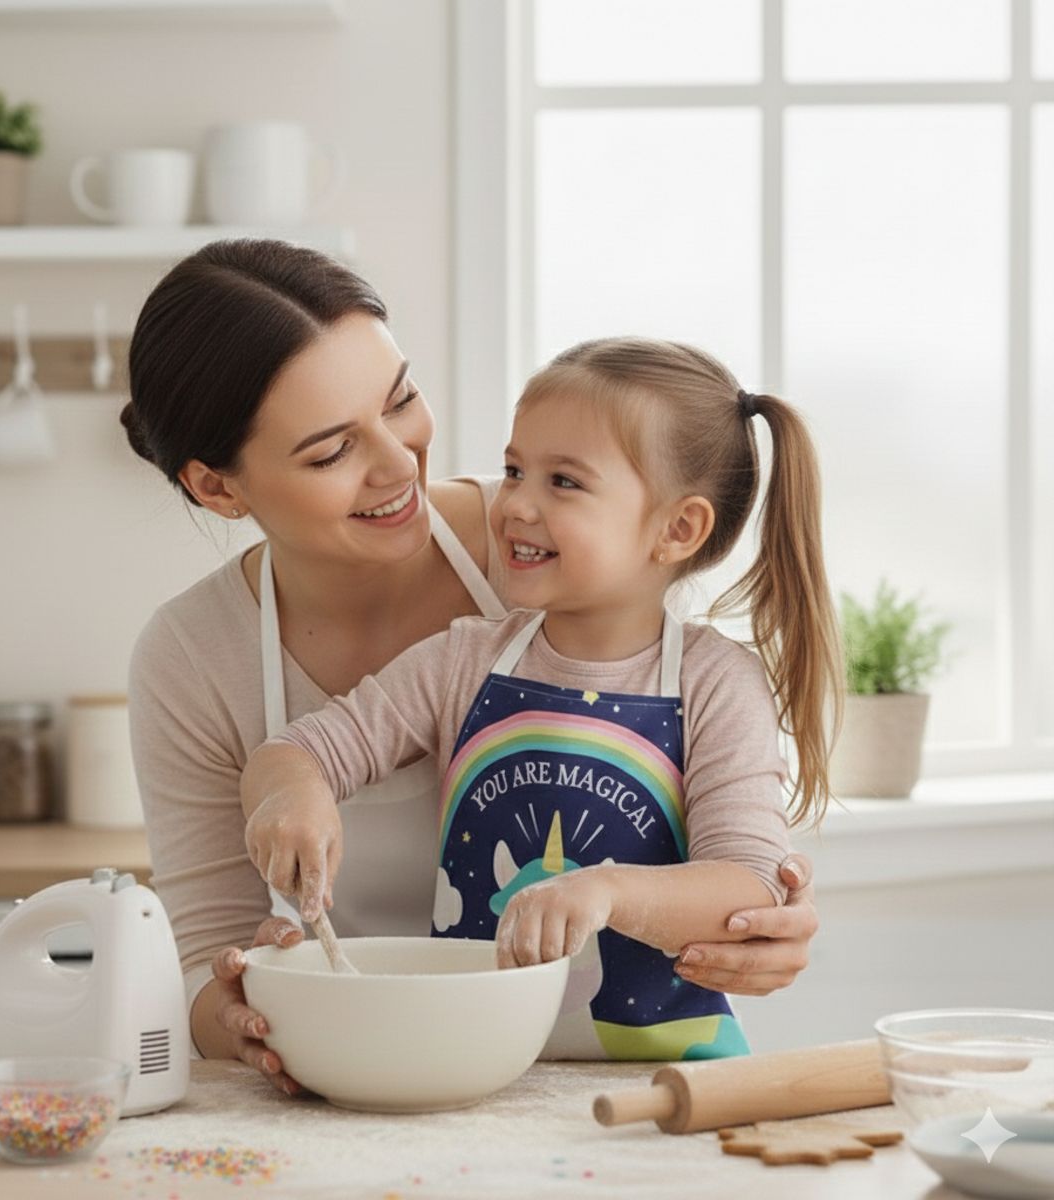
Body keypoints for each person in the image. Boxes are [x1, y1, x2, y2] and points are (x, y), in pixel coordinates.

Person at [123, 242, 820, 1089]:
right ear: (217, 486)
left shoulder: (570, 569)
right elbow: (210, 948)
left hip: (651, 1082)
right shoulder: (214, 657)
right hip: (427, 1068)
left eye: (402, 400)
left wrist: (738, 920)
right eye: (330, 450)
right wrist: (245, 1007)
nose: (398, 464)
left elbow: (742, 869)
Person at [242, 336, 843, 1062]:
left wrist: (607, 893)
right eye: (515, 469)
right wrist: (291, 795)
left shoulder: (715, 684)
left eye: (564, 482)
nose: (516, 503)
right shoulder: (464, 658)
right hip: (475, 1062)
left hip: (664, 1082)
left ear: (678, 529)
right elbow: (299, 749)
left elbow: (746, 888)